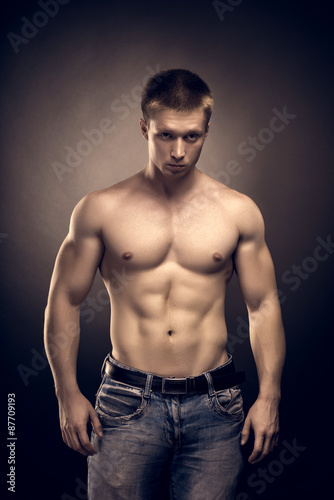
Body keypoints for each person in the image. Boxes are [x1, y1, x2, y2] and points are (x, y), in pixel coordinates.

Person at [44, 68, 286, 500]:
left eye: (191, 137)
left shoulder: (238, 212)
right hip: (126, 402)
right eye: (165, 136)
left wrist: (269, 396)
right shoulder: (100, 209)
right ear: (144, 128)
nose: (178, 151)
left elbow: (263, 305)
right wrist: (66, 393)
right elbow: (64, 299)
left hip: (217, 404)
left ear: (207, 130)